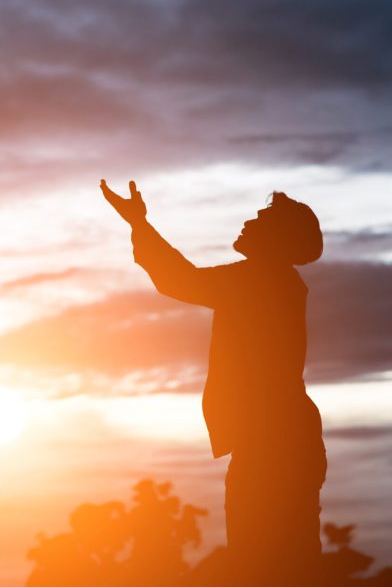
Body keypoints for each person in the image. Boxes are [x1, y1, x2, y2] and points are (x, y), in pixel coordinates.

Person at [100, 178, 327, 587]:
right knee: (282, 563)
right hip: (279, 440)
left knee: (268, 565)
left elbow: (177, 279)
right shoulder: (272, 281)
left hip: (273, 445)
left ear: (278, 239)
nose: (247, 222)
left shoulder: (260, 281)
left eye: (260, 219)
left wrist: (139, 223)